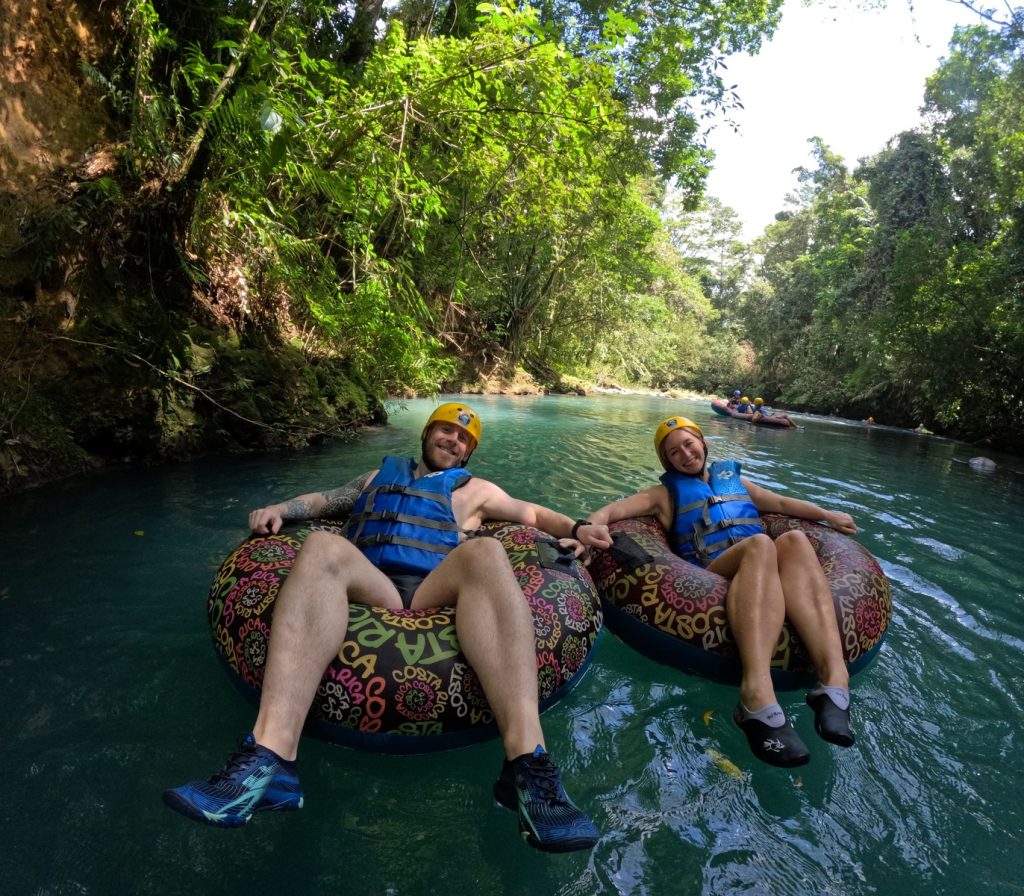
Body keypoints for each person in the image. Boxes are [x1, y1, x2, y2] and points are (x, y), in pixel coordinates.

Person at [163, 402, 613, 852]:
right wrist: (280, 508)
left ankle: (527, 766)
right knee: (320, 545)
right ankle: (271, 759)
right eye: (445, 430)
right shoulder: (377, 476)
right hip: (372, 583)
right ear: (427, 433)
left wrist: (577, 527)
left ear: (468, 452)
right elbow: (326, 501)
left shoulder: (477, 491)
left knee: (487, 552)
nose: (453, 440)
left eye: (463, 438)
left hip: (432, 587)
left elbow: (531, 514)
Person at [583, 415, 857, 768]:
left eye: (689, 444)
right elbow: (613, 510)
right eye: (674, 452)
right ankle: (756, 697)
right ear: (667, 462)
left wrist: (827, 515)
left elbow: (781, 504)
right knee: (761, 544)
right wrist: (586, 529)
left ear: (703, 443)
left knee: (795, 539)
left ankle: (834, 683)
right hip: (712, 574)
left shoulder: (734, 481)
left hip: (763, 569)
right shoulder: (662, 496)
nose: (685, 454)